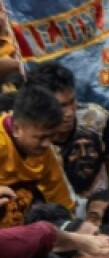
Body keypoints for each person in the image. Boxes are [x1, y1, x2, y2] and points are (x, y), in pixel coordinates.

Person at [0, 86, 72, 229]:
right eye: (41, 137)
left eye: (52, 136)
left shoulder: (42, 151)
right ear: (16, 128)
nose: (47, 144)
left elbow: (60, 199)